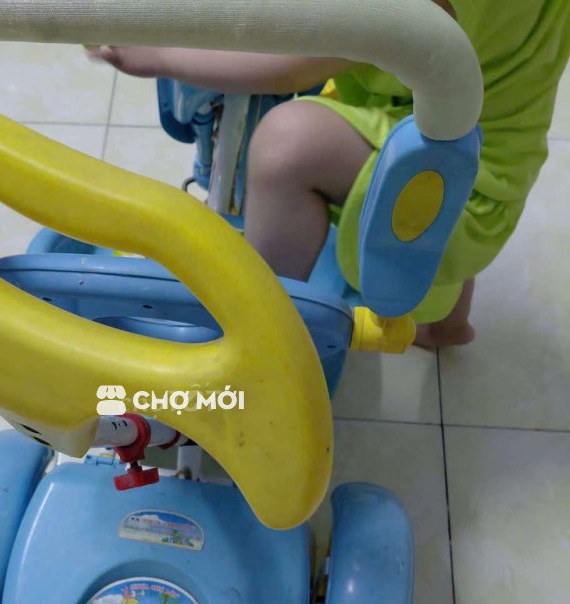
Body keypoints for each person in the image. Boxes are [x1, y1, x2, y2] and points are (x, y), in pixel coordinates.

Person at [88, 0, 570, 347]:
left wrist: (161, 56)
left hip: (448, 189)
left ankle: (261, 334)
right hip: (492, 162)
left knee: (288, 145)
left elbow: (288, 65)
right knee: (458, 126)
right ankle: (446, 328)